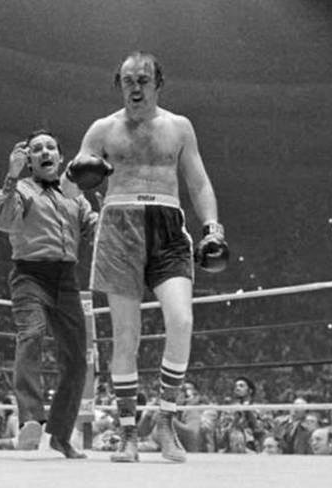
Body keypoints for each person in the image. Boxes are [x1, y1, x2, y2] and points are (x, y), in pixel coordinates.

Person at [71, 51, 227, 463]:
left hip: (168, 225)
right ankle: (126, 434)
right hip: (118, 224)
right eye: (127, 80)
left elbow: (198, 183)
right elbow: (72, 189)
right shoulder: (102, 130)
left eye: (143, 79)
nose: (135, 87)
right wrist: (78, 174)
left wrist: (213, 227)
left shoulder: (179, 128)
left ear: (158, 83)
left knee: (182, 319)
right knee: (126, 335)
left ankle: (164, 420)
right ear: (119, 84)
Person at [0, 129, 99, 459]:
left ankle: (60, 435)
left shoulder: (75, 195)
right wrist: (11, 176)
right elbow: (3, 221)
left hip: (66, 279)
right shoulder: (21, 188)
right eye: (36, 149)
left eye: (50, 147)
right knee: (32, 334)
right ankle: (29, 418)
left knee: (77, 360)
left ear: (61, 158)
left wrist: (109, 217)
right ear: (29, 160)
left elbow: (94, 230)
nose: (44, 151)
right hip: (29, 275)